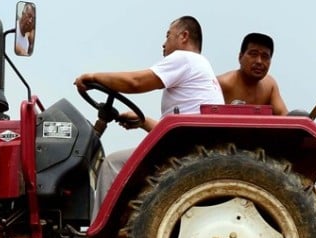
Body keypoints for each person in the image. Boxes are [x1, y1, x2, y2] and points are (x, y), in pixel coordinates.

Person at [74, 16, 224, 220]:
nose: (164, 43)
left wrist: (93, 77)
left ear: (183, 36)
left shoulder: (184, 58)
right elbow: (175, 132)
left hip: (185, 153)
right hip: (190, 148)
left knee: (111, 164)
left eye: (168, 35)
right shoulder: (201, 67)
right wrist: (142, 121)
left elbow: (136, 82)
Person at [217, 32, 316, 218]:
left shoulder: (269, 85)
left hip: (261, 157)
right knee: (289, 182)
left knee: (299, 182)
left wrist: (302, 121)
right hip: (229, 160)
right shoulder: (223, 84)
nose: (259, 61)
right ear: (240, 57)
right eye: (253, 54)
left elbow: (285, 120)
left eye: (265, 56)